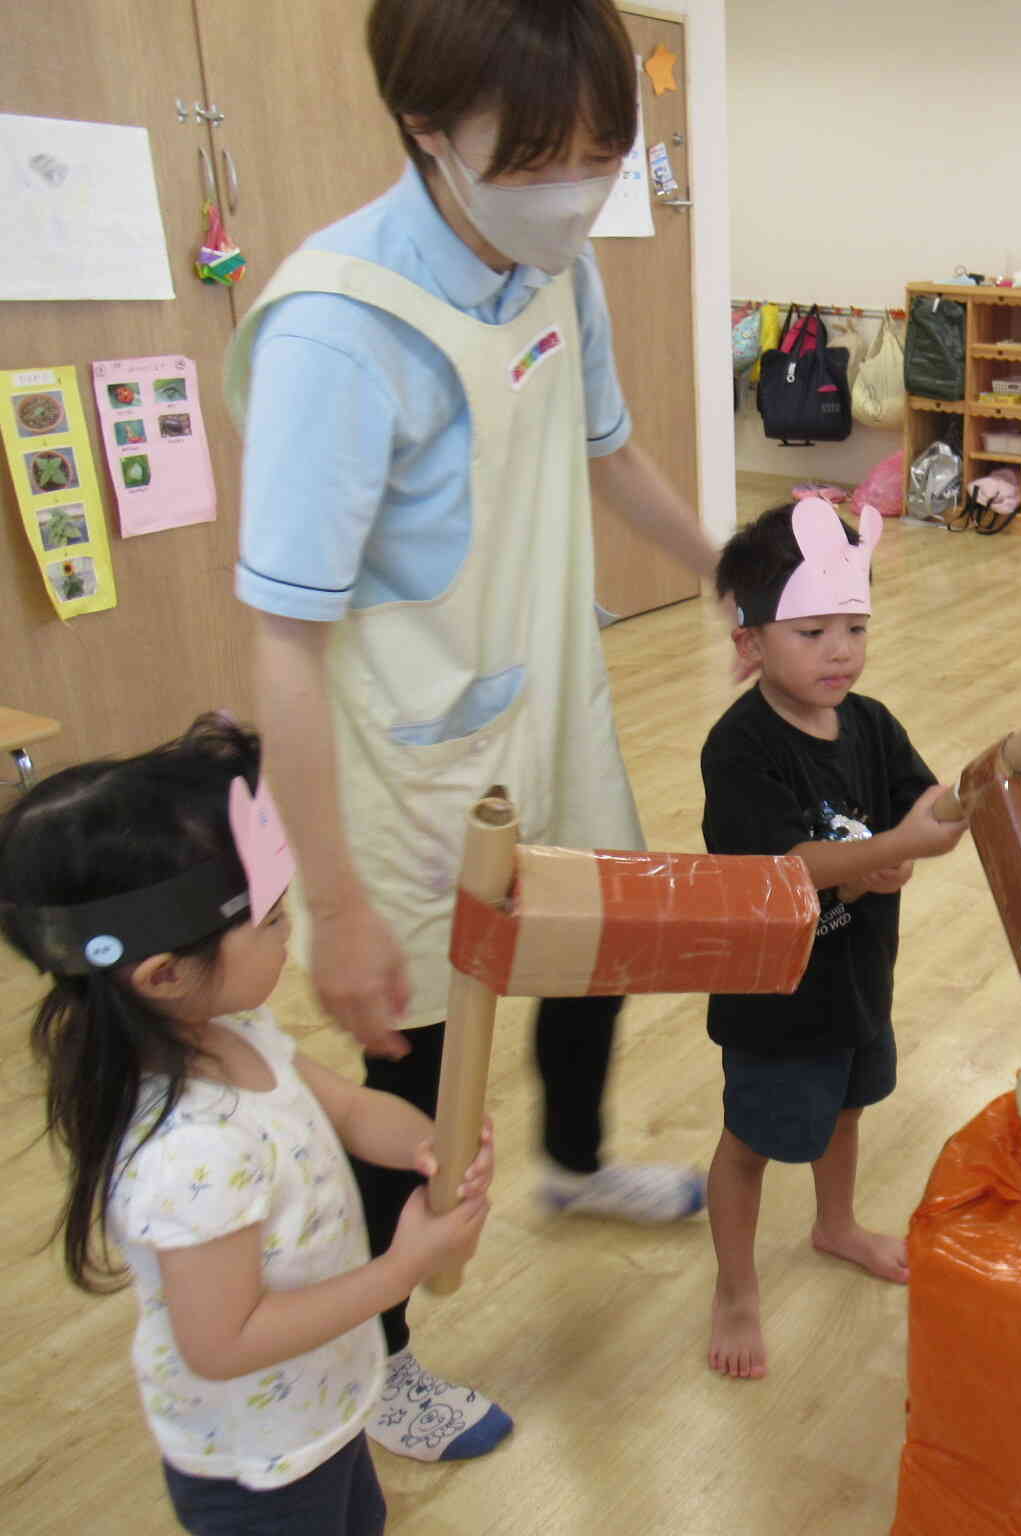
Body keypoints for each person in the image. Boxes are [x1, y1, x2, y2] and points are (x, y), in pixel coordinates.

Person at [227, 0, 720, 1458]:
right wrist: (337, 904)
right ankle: (372, 1359)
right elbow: (284, 642)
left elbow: (608, 451)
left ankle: (572, 1164)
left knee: (589, 950)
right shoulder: (340, 330)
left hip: (546, 703)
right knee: (407, 1082)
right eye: (545, 156)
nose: (579, 187)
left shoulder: (552, 263)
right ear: (429, 131)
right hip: (395, 763)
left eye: (604, 155)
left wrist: (730, 577)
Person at [0, 715, 495, 1534]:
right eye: (266, 921)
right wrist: (403, 1267)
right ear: (163, 974)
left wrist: (422, 1142)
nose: (288, 927)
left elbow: (347, 1107)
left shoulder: (233, 1034)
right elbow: (225, 1340)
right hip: (258, 1466)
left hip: (323, 1404)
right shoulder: (191, 1153)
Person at [700, 500, 970, 1381]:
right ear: (750, 645)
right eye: (812, 631)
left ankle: (835, 1224)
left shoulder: (871, 721)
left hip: (857, 973)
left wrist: (957, 813)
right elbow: (786, 867)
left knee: (848, 1108)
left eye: (854, 627)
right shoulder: (739, 749)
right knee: (751, 1143)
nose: (841, 651)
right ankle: (735, 1289)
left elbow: (914, 805)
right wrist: (889, 852)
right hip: (775, 995)